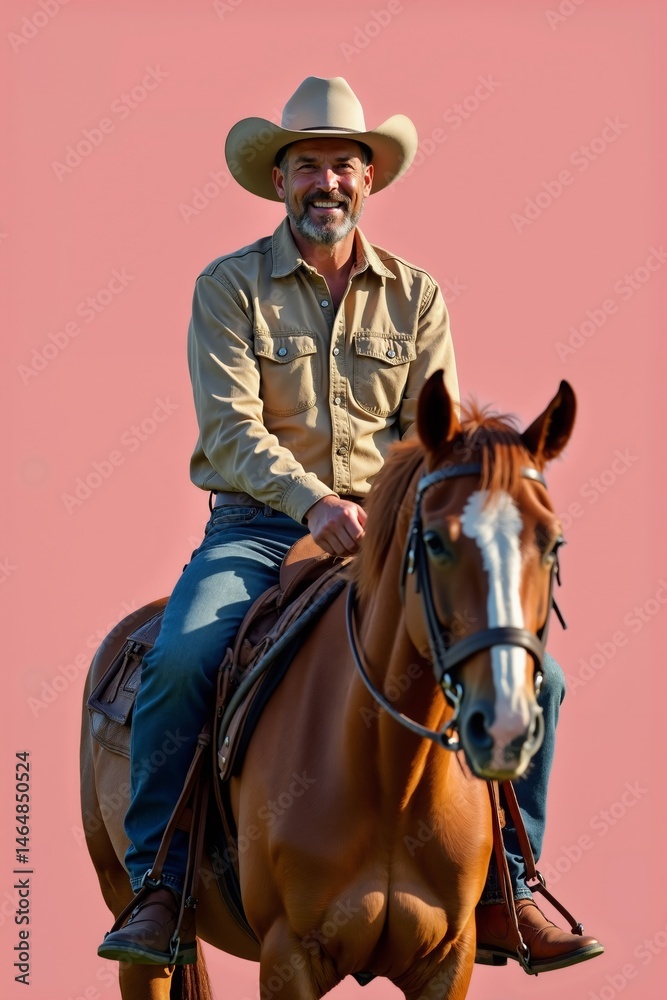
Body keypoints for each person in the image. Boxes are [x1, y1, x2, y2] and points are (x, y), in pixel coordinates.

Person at [98, 76, 602, 974]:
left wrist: (383, 512)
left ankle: (509, 888)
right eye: (305, 166)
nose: (324, 181)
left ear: (368, 179)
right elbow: (230, 426)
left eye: (341, 163)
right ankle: (161, 887)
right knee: (179, 659)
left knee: (541, 676)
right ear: (279, 181)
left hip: (388, 531)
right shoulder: (229, 288)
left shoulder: (416, 297)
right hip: (256, 527)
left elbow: (429, 428)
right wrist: (312, 503)